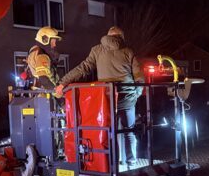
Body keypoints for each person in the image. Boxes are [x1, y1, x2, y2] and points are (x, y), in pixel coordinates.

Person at [55, 26, 144, 166]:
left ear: (108, 36)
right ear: (121, 37)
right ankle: (131, 162)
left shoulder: (97, 50)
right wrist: (137, 93)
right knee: (129, 131)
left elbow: (83, 68)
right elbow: (139, 75)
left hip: (107, 98)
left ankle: (112, 165)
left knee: (110, 132)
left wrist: (63, 82)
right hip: (127, 97)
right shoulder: (128, 51)